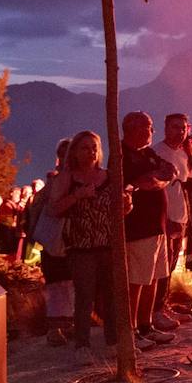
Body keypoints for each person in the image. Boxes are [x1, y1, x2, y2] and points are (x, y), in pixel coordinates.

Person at [48, 131, 125, 358]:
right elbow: (54, 209)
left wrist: (126, 206)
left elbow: (116, 207)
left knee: (111, 296)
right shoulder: (67, 178)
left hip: (108, 243)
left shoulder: (108, 176)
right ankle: (82, 345)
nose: (90, 152)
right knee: (85, 297)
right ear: (75, 152)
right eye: (85, 148)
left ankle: (113, 341)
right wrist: (77, 196)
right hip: (81, 247)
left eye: (94, 147)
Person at [121, 112, 179, 352]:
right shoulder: (123, 156)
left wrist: (157, 179)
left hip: (158, 227)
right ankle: (132, 331)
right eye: (148, 127)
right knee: (137, 281)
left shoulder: (148, 153)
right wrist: (155, 178)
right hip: (139, 228)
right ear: (132, 128)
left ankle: (146, 325)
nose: (151, 132)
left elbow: (170, 171)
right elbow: (139, 183)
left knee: (154, 276)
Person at [29, 139, 75, 345]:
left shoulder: (78, 179)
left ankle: (67, 324)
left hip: (73, 241)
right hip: (54, 242)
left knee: (70, 285)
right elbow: (39, 211)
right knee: (57, 285)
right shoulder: (53, 184)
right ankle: (55, 328)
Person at [151, 113, 192, 331]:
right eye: (175, 127)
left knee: (172, 264)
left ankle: (164, 305)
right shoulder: (158, 153)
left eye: (183, 128)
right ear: (166, 128)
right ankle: (155, 310)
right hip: (166, 218)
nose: (180, 131)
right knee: (162, 267)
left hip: (181, 216)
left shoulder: (184, 154)